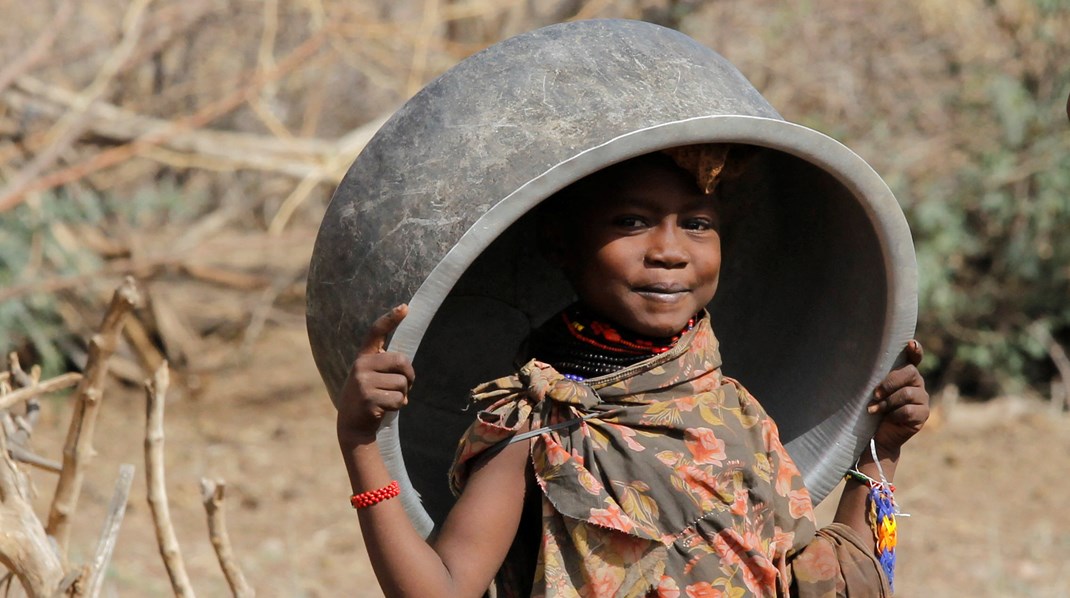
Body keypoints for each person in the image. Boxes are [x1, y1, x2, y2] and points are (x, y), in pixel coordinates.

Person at [336, 148, 929, 597]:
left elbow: (820, 583)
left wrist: (881, 453)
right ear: (563, 244)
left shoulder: (734, 410)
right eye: (630, 222)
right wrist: (363, 444)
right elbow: (441, 590)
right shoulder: (544, 425)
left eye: (697, 223)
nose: (669, 250)